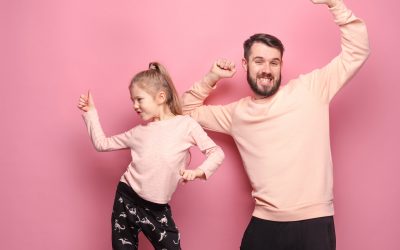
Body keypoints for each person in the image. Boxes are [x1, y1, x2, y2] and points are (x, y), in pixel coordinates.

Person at [181, 0, 369, 249]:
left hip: (314, 222)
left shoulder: (311, 89)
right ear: (246, 65)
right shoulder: (236, 114)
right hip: (265, 225)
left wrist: (335, 4)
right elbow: (185, 110)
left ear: (281, 65)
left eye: (274, 62)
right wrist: (212, 77)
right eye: (259, 61)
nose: (267, 70)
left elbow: (358, 51)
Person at [77, 62, 225, 250]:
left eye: (139, 99)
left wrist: (198, 172)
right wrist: (91, 113)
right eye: (132, 100)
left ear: (160, 97)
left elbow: (216, 152)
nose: (135, 106)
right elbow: (102, 144)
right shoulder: (138, 133)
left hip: (157, 208)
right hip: (126, 198)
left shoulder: (186, 125)